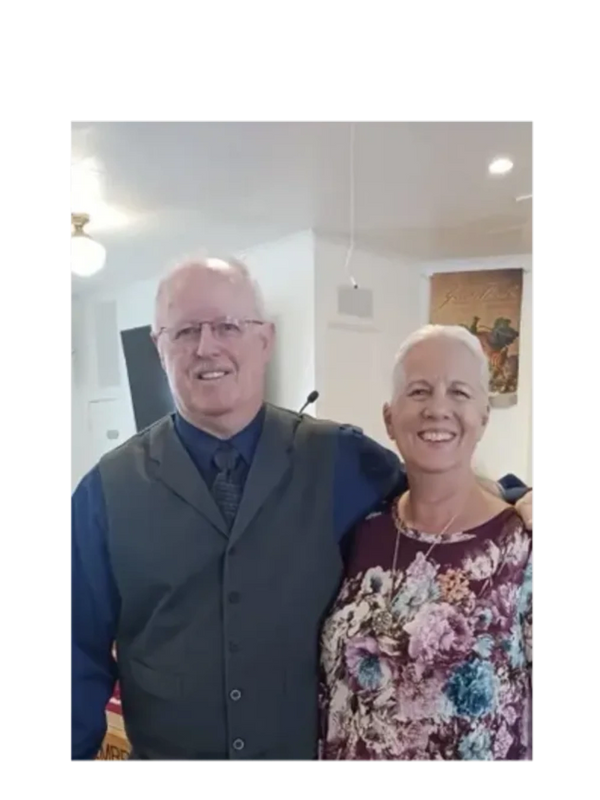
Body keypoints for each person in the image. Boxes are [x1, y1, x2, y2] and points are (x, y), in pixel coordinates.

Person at [69, 258, 534, 764]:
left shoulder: (338, 460)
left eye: (228, 326)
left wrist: (516, 497)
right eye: (184, 331)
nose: (206, 346)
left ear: (265, 339)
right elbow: (77, 655)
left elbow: (434, 483)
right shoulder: (106, 493)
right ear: (158, 347)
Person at [318, 325, 534, 764]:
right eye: (418, 391)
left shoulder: (521, 547)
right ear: (389, 418)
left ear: (484, 416)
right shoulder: (361, 532)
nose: (437, 408)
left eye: (459, 392)